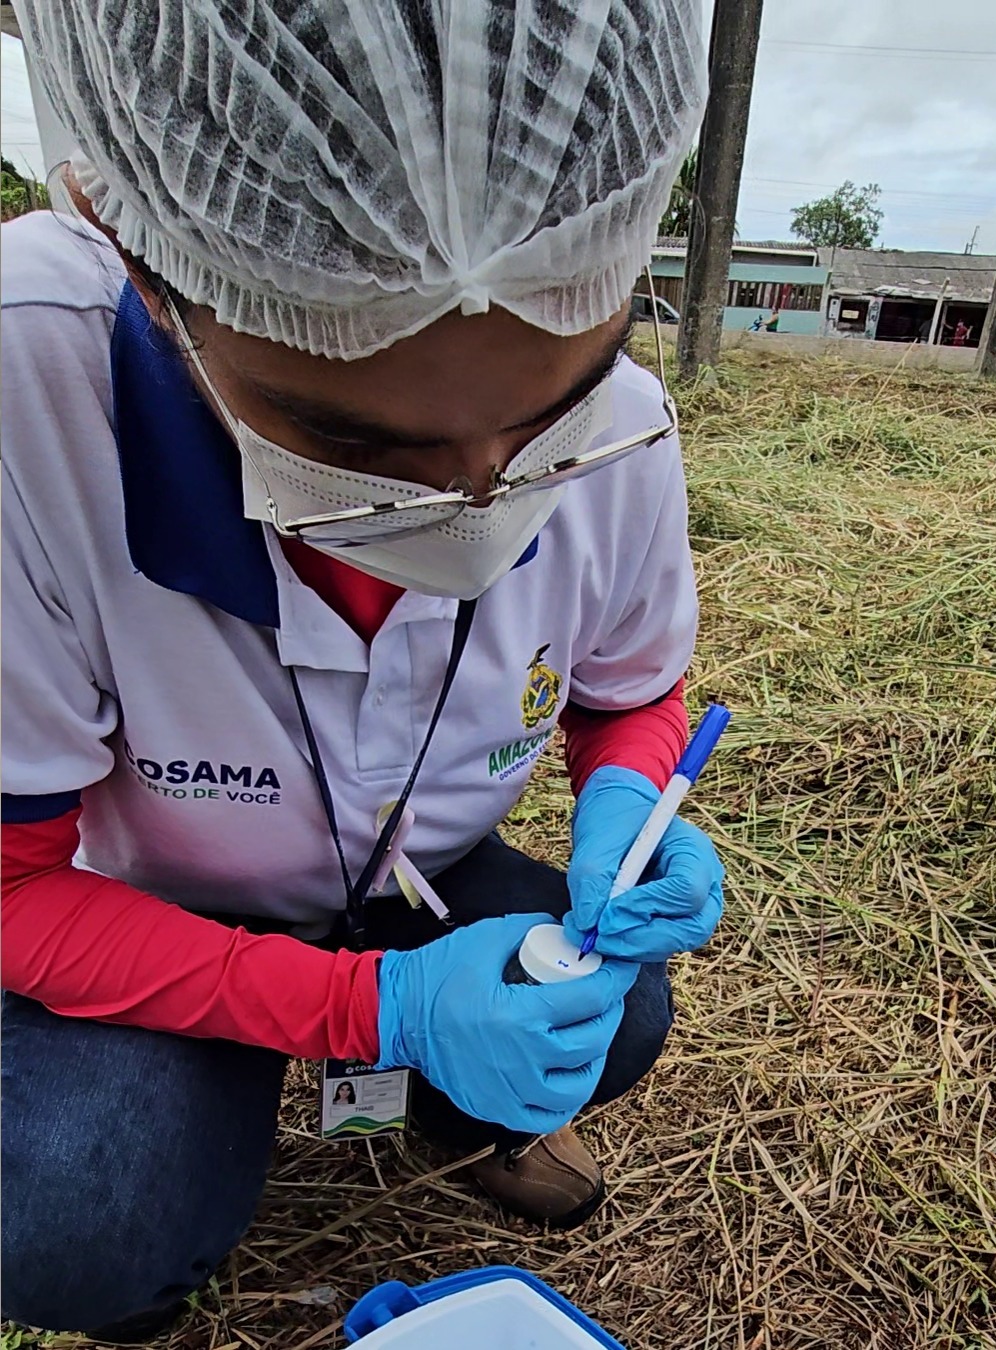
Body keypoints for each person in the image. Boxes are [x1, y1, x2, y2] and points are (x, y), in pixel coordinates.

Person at [0, 1, 723, 1343]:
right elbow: (12, 889)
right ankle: (167, 1226)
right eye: (354, 440)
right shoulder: (27, 388)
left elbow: (630, 692)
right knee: (69, 1205)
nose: (479, 493)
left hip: (412, 870)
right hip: (144, 905)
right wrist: (367, 1002)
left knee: (614, 1014)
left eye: (550, 412)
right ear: (147, 265)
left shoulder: (629, 433)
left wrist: (630, 801)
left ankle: (462, 1110)